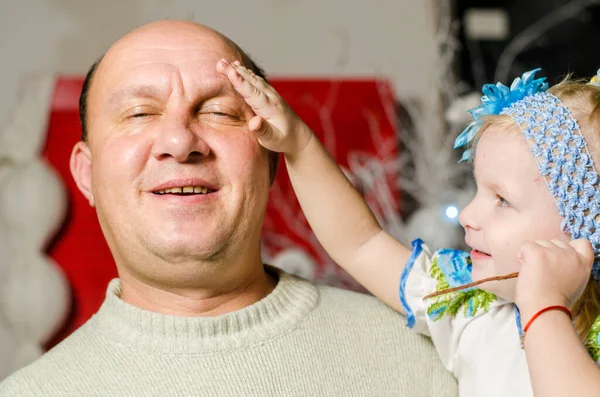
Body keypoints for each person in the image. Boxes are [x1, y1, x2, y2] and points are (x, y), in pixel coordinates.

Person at [0, 20, 459, 397]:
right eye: (140, 114)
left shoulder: (437, 355)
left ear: (272, 158)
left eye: (219, 111)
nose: (180, 143)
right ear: (86, 173)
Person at [215, 59, 600, 397]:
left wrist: (545, 305)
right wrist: (297, 142)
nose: (468, 214)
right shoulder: (474, 310)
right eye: (477, 190)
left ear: (589, 226)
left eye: (502, 200)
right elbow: (361, 243)